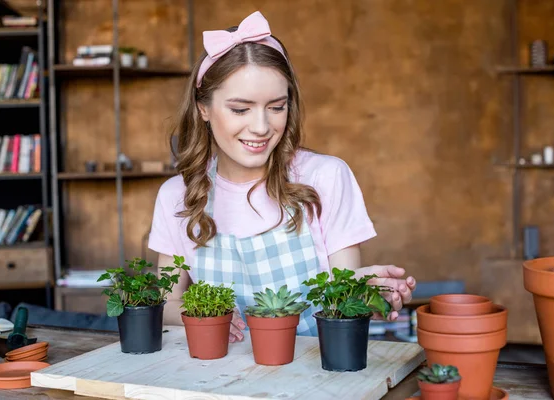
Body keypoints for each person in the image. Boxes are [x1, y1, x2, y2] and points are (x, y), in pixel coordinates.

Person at [148, 10, 416, 342]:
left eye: (276, 106)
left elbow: (341, 299)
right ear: (203, 108)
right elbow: (166, 301)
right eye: (240, 109)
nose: (261, 127)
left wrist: (369, 295)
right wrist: (199, 313)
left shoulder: (326, 177)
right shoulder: (177, 196)